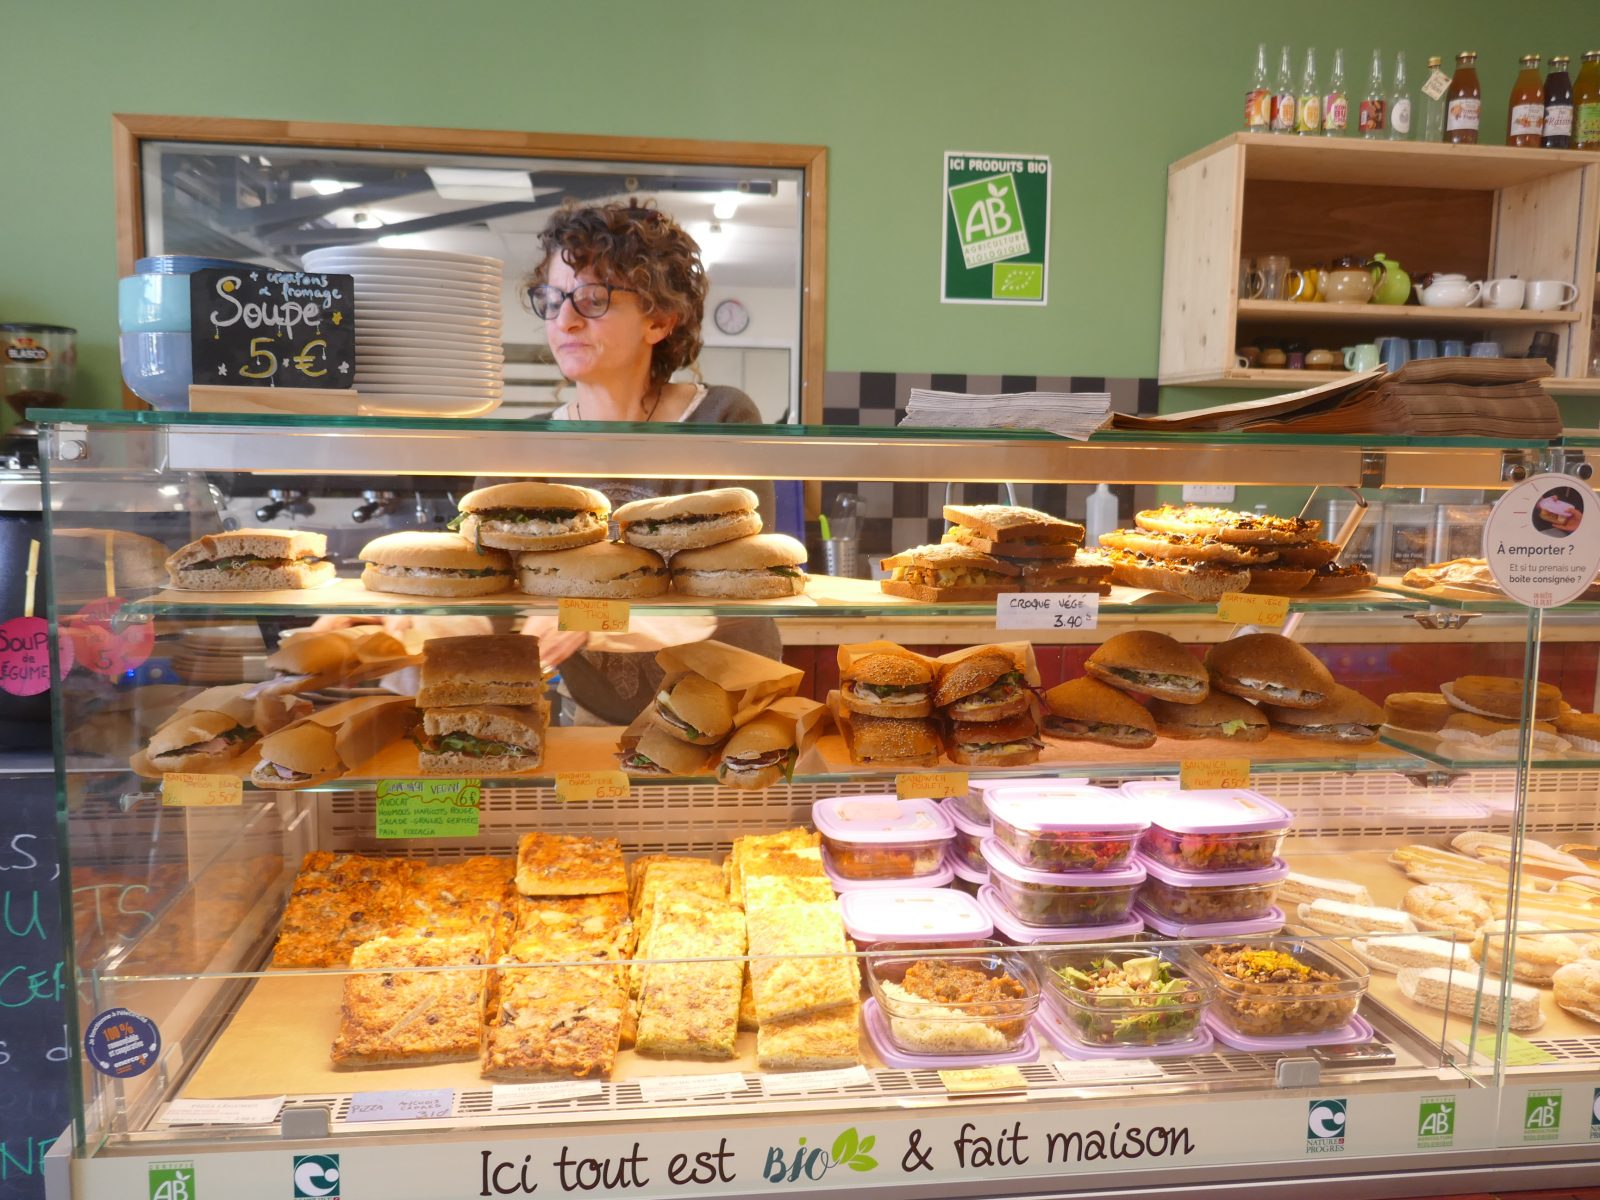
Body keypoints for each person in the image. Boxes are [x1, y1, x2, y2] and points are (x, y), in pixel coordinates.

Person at [518, 199, 782, 723]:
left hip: (727, 705)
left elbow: (735, 590)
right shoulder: (530, 446)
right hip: (592, 713)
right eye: (552, 299)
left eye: (592, 299)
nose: (564, 320)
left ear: (659, 319)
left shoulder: (721, 417)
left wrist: (588, 619)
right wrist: (383, 620)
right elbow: (492, 593)